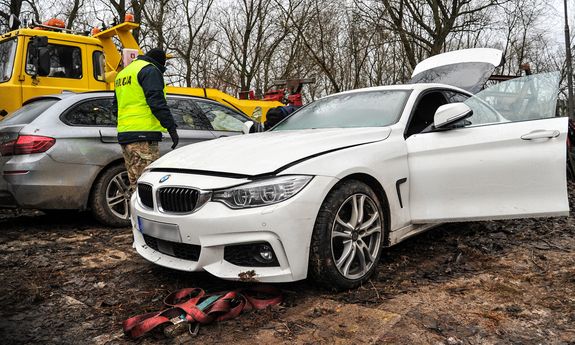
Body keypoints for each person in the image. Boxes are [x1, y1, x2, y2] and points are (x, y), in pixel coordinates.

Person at [114, 48, 179, 196]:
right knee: (147, 186)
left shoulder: (123, 74)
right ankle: (145, 218)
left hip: (125, 135)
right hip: (144, 136)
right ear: (159, 63)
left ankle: (134, 217)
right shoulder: (150, 70)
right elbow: (157, 102)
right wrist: (171, 128)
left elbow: (115, 107)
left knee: (135, 186)